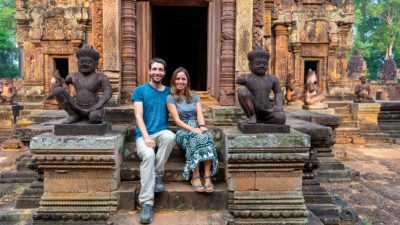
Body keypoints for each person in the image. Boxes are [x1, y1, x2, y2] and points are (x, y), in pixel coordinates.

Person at [131, 58, 176, 224]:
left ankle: (157, 175)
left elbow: (182, 107)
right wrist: (147, 137)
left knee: (171, 136)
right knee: (149, 154)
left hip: (161, 131)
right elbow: (138, 116)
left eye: (160, 70)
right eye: (154, 69)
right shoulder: (140, 90)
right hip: (143, 134)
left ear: (164, 73)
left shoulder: (169, 92)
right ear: (150, 71)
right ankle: (147, 203)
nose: (157, 72)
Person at [166, 67, 218, 193]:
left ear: (187, 81)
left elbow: (199, 114)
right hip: (182, 130)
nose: (180, 81)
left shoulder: (195, 97)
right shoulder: (170, 98)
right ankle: (195, 176)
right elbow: (177, 120)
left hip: (196, 126)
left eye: (183, 79)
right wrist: (192, 129)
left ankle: (207, 176)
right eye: (177, 79)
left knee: (207, 136)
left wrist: (202, 126)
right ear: (174, 81)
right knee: (195, 138)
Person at [53, 44, 112, 124]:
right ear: (77, 64)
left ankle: (90, 114)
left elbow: (108, 92)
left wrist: (98, 105)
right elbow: (63, 86)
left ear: (96, 65)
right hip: (76, 107)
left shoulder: (100, 77)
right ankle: (73, 115)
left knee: (94, 118)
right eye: (82, 62)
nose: (85, 64)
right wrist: (59, 84)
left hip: (94, 107)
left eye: (88, 62)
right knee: (57, 90)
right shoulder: (72, 76)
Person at [236, 46, 286, 124]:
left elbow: (278, 93)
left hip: (268, 109)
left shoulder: (273, 79)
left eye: (264, 64)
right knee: (242, 91)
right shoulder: (246, 78)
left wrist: (278, 105)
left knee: (281, 118)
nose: (261, 65)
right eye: (258, 63)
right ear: (250, 65)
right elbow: (238, 80)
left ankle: (263, 120)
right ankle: (253, 116)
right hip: (252, 108)